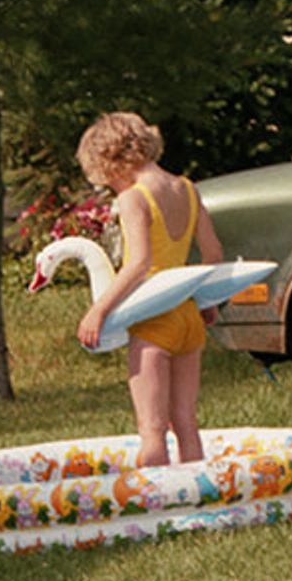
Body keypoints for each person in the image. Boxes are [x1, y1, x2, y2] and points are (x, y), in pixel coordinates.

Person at [74, 111, 223, 466]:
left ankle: (154, 507)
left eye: (107, 180)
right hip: (187, 314)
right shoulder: (187, 189)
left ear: (112, 161)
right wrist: (207, 301)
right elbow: (213, 253)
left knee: (152, 429)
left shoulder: (134, 198)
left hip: (154, 320)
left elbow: (138, 263)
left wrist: (98, 311)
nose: (111, 188)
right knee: (186, 423)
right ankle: (199, 498)